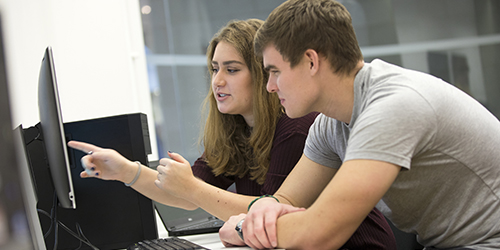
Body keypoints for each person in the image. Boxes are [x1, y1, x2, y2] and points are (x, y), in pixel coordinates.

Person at [68, 18, 397, 248]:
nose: (218, 81)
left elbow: (270, 211)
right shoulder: (236, 131)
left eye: (232, 69)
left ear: (263, 73)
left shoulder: (297, 127)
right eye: (214, 69)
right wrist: (125, 170)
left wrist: (195, 190)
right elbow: (182, 194)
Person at [219, 1, 500, 249]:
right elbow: (284, 200)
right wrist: (266, 210)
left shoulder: (393, 107)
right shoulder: (330, 125)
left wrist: (245, 228)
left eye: (275, 72)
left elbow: (320, 233)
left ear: (310, 61)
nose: (269, 86)